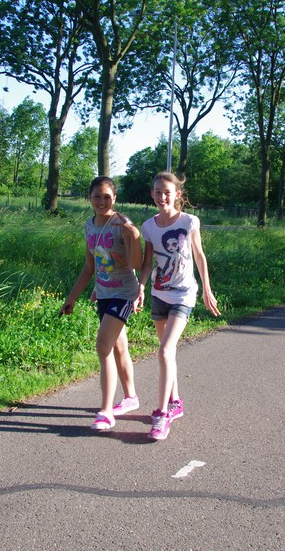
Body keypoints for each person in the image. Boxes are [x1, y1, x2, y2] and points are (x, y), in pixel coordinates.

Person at [139, 172, 220, 441]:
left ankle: (162, 414)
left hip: (184, 294)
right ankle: (175, 402)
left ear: (177, 195)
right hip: (159, 294)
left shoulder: (189, 221)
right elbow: (147, 263)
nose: (162, 196)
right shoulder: (149, 226)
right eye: (158, 192)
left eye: (167, 192)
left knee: (164, 350)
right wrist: (141, 287)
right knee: (167, 353)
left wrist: (207, 289)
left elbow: (199, 255)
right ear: (152, 194)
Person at [60, 176, 143, 431]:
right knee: (118, 347)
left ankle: (106, 412)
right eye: (97, 196)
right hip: (104, 293)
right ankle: (130, 397)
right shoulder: (89, 226)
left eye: (107, 197)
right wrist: (72, 297)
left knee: (103, 345)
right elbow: (89, 267)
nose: (101, 201)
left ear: (114, 198)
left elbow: (137, 264)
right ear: (89, 198)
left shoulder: (122, 224)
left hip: (124, 294)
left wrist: (134, 237)